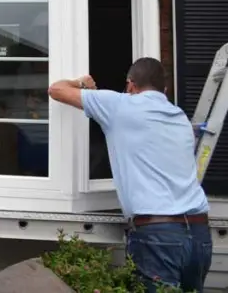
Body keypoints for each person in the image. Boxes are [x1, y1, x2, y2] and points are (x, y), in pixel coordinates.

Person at [48, 57, 212, 293]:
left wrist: (82, 83)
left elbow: (56, 90)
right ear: (163, 89)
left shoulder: (119, 105)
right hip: (199, 233)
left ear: (130, 85)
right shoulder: (180, 118)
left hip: (158, 236)